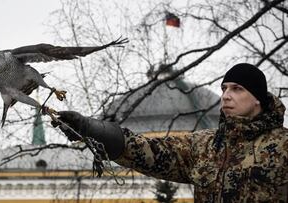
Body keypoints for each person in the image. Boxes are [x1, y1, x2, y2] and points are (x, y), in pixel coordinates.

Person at [53, 63, 288, 202]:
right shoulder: (205, 145)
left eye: (237, 89)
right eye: (224, 88)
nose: (226, 95)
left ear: (257, 98)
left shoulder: (282, 146)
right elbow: (152, 152)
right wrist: (92, 130)